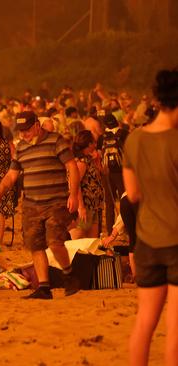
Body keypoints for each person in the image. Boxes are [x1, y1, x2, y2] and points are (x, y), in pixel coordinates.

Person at [0, 111, 81, 300]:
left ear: (37, 126)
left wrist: (73, 195)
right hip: (31, 205)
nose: (24, 134)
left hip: (56, 202)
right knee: (36, 246)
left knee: (55, 243)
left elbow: (72, 167)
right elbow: (11, 176)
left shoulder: (56, 141)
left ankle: (70, 274)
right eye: (21, 131)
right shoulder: (21, 148)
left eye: (27, 130)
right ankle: (44, 287)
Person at [125, 69, 178, 366]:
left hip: (146, 242)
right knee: (175, 332)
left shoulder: (134, 140)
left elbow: (132, 194)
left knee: (144, 323)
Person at [70, 130, 103, 239]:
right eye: (94, 142)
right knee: (79, 237)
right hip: (86, 205)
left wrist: (98, 161)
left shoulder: (89, 159)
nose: (95, 144)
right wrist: (81, 207)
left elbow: (101, 174)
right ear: (89, 144)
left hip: (93, 205)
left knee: (92, 240)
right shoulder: (81, 162)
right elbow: (75, 184)